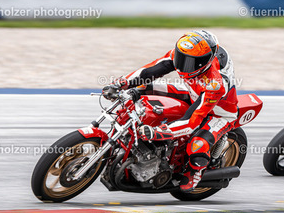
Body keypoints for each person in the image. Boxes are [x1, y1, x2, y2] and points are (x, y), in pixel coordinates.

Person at [102, 30, 238, 191]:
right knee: (143, 87)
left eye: (189, 62)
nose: (182, 64)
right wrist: (121, 84)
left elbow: (192, 121)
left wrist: (157, 132)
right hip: (194, 92)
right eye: (181, 57)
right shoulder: (186, 55)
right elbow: (150, 70)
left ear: (204, 63)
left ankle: (196, 171)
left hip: (218, 111)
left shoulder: (215, 83)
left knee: (197, 144)